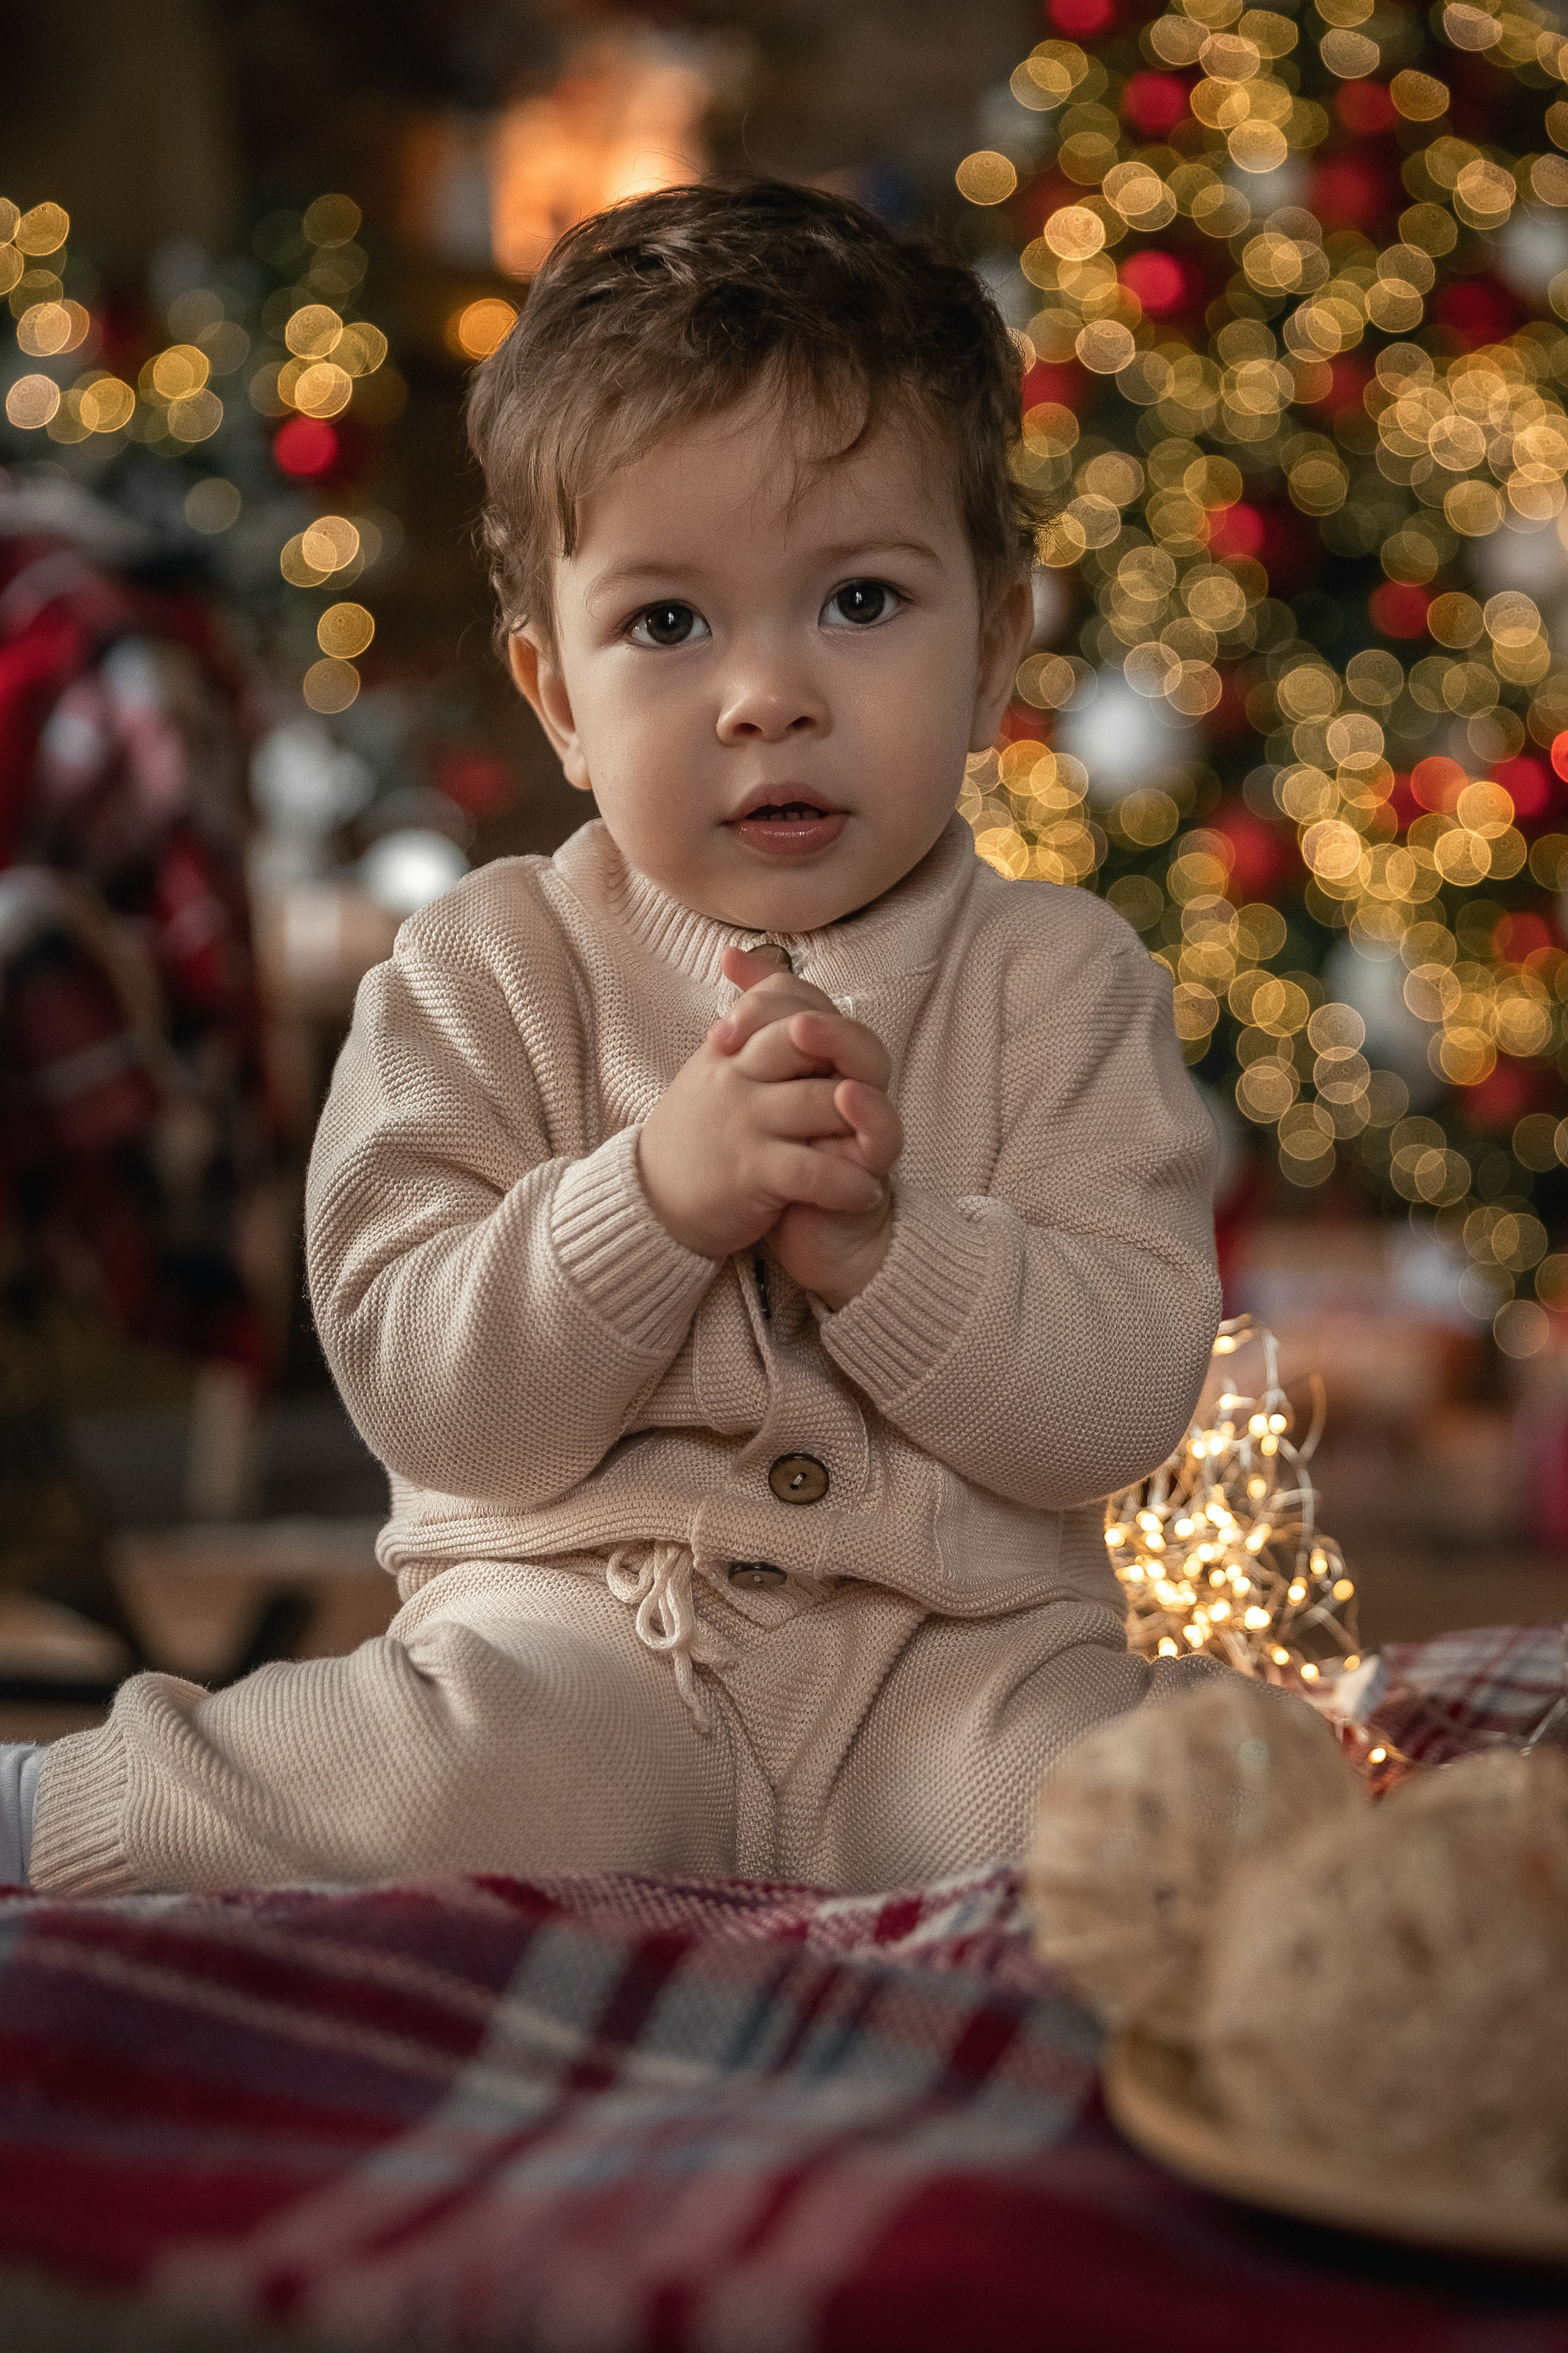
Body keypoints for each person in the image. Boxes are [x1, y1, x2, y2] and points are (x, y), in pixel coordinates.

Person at [11, 181, 1221, 1897]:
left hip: (960, 1668)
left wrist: (891, 1262)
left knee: (1149, 1822)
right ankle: (45, 1814)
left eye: (861, 601)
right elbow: (426, 1394)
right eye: (667, 624)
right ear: (560, 698)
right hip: (587, 1644)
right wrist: (647, 1203)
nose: (767, 695)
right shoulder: (481, 968)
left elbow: (1121, 1392)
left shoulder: (1063, 979)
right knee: (419, 1777)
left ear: (994, 651)